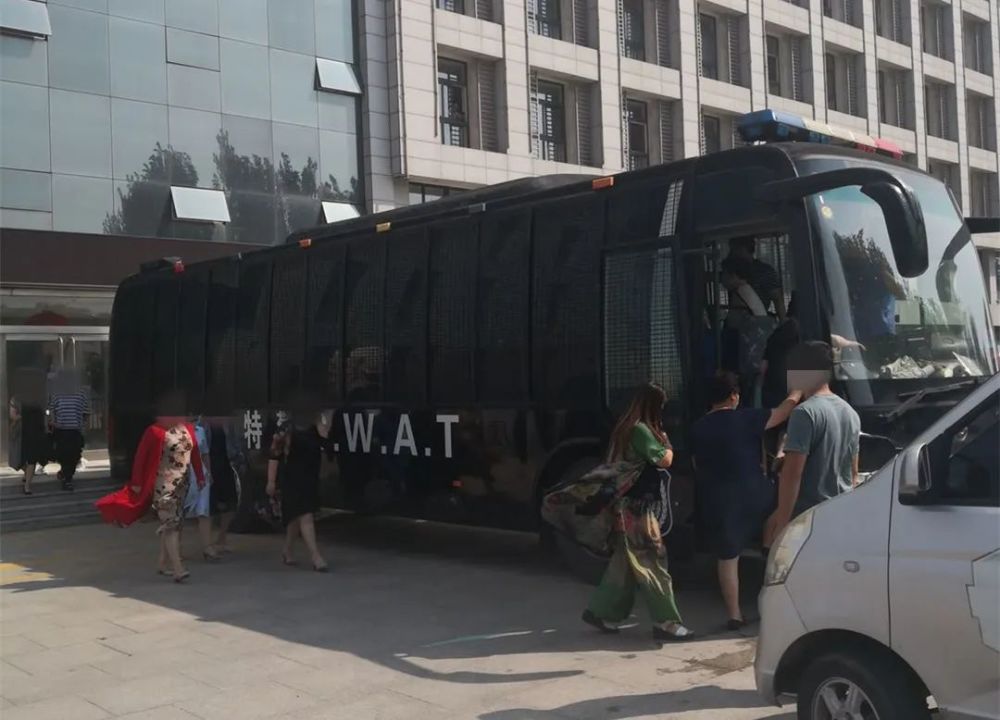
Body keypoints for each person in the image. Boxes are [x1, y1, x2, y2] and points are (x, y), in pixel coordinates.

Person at [577, 383, 694, 642]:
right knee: (654, 561)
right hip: (638, 508)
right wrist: (668, 443)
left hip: (624, 505)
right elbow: (664, 460)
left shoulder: (625, 427)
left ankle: (601, 611)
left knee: (624, 564)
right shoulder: (641, 430)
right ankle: (666, 622)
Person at [690, 371, 802, 629]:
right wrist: (798, 391)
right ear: (734, 396)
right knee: (778, 505)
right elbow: (783, 412)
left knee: (728, 558)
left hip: (719, 501)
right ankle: (767, 544)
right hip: (754, 494)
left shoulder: (698, 428)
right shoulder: (748, 417)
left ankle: (734, 615)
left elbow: (696, 465)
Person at [95, 393, 205, 583]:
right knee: (171, 524)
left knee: (174, 523)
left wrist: (200, 476)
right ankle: (178, 568)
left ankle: (163, 563)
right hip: (163, 484)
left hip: (183, 484)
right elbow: (141, 457)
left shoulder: (188, 429)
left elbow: (194, 454)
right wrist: (137, 483)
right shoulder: (154, 431)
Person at [764, 342, 861, 545]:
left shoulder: (804, 413)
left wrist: (782, 524)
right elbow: (853, 474)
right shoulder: (850, 413)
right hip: (839, 514)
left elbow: (793, 474)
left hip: (807, 519)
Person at [267, 404, 330, 572]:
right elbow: (274, 454)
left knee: (296, 518)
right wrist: (271, 481)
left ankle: (287, 550)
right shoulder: (287, 428)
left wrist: (322, 428)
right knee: (306, 516)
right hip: (292, 479)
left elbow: (326, 446)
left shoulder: (315, 427)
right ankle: (316, 556)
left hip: (310, 478)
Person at [182, 418, 219, 562]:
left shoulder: (200, 431)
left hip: (200, 475)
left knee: (204, 511)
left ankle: (207, 547)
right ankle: (175, 549)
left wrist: (208, 472)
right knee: (179, 513)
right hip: (181, 475)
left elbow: (205, 453)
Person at [48, 368, 91, 492]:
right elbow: (52, 410)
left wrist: (83, 425)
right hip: (61, 430)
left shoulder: (81, 393)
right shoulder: (57, 394)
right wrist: (53, 422)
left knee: (75, 455)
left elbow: (86, 412)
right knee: (64, 455)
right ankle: (67, 479)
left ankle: (66, 475)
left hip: (75, 430)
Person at [728, 236, 786, 320]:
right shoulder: (732, 270)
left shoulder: (765, 271)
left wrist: (783, 321)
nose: (731, 254)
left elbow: (777, 299)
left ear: (743, 249)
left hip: (757, 321)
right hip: (735, 321)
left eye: (733, 249)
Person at [207, 417, 241, 553]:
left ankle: (222, 538)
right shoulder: (203, 424)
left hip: (226, 465)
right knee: (209, 506)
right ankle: (208, 542)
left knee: (232, 502)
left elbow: (234, 442)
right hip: (209, 466)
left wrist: (238, 457)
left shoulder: (228, 422)